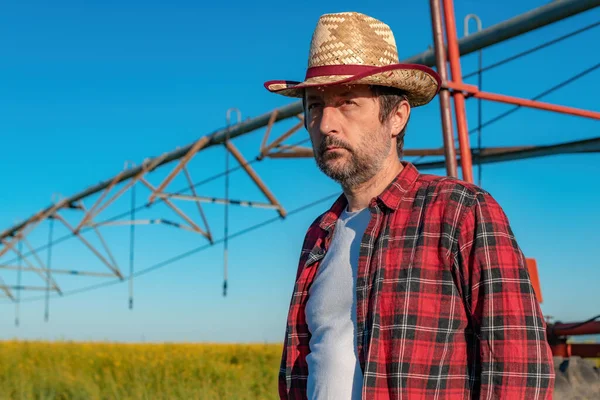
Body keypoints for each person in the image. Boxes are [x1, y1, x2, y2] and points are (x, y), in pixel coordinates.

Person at [264, 11, 555, 400]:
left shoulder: (460, 212)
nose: (325, 123)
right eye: (315, 105)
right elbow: (301, 371)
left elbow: (520, 370)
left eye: (347, 102)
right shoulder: (319, 234)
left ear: (397, 116)